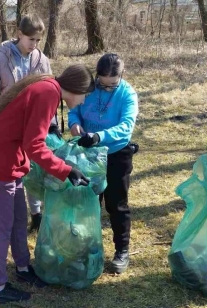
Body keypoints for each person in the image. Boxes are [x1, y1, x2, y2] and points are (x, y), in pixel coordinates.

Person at [0, 64, 94, 303]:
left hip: (10, 162)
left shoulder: (48, 87)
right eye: (85, 96)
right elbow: (34, 145)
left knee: (18, 220)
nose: (82, 102)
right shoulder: (48, 92)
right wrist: (66, 170)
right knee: (0, 228)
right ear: (76, 89)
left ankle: (23, 267)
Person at [0, 13, 61, 232]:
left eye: (37, 40)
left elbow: (50, 93)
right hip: (8, 126)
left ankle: (37, 214)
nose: (34, 45)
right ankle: (13, 219)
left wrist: (52, 122)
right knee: (15, 172)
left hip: (34, 123)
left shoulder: (41, 60)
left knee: (36, 168)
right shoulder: (2, 57)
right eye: (30, 39)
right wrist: (2, 115)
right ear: (19, 34)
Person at [67, 53, 138, 274]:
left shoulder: (127, 94)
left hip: (116, 153)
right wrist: (74, 123)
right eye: (102, 84)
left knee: (116, 204)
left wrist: (99, 137)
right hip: (87, 153)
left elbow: (126, 126)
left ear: (121, 77)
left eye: (112, 85)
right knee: (88, 202)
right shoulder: (88, 87)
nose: (106, 88)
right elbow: (74, 108)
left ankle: (121, 250)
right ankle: (88, 248)